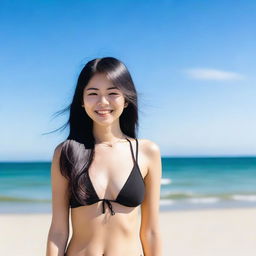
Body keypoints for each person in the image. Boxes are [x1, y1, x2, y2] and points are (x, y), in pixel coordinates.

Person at [46, 57, 163, 256]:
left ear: (126, 99)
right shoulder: (66, 153)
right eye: (93, 93)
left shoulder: (147, 152)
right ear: (81, 101)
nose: (103, 102)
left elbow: (151, 231)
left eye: (112, 93)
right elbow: (58, 231)